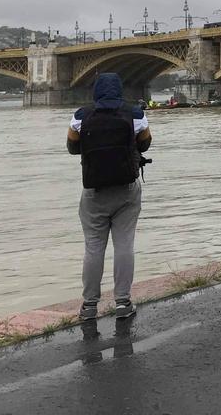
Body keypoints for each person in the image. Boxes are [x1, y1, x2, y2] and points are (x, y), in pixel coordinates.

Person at [66, 73, 152, 321]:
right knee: (124, 245)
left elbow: (72, 147)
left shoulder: (81, 115)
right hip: (126, 189)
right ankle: (123, 303)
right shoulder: (135, 113)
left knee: (94, 247)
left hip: (94, 192)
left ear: (95, 91)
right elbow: (145, 144)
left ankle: (89, 306)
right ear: (119, 89)